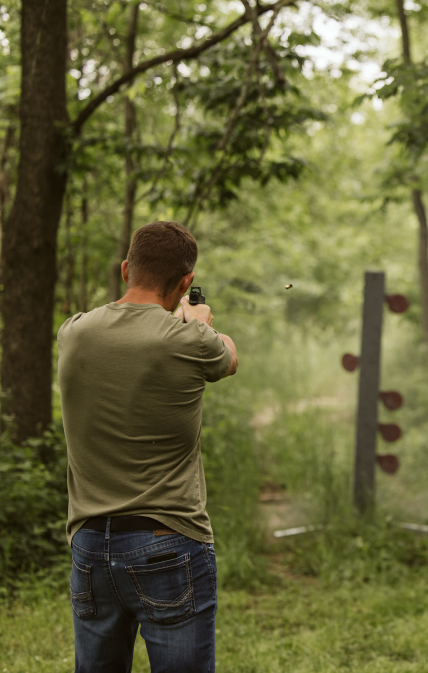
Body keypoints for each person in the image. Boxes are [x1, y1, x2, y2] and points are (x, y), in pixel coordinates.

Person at [58, 221, 239, 672]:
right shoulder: (190, 340)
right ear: (185, 283)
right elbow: (229, 357)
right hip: (167, 539)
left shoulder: (73, 331)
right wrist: (197, 321)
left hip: (89, 545)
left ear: (125, 270)